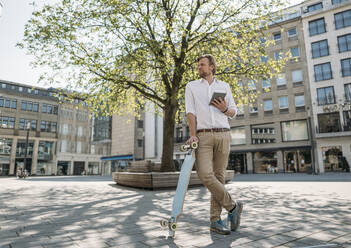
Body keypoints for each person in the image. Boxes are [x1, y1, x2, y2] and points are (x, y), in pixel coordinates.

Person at [185, 54, 243, 235]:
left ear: (212, 67)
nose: (199, 67)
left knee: (219, 177)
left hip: (224, 134)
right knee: (205, 174)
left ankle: (215, 220)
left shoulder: (224, 86)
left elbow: (234, 112)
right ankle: (233, 206)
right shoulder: (191, 86)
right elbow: (190, 112)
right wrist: (193, 135)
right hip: (203, 136)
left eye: (202, 65)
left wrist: (224, 108)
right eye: (198, 65)